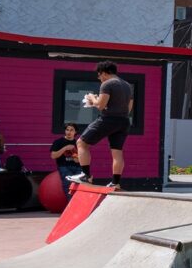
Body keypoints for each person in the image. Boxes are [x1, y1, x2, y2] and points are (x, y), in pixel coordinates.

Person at [69, 61, 133, 189]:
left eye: (99, 75)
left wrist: (92, 98)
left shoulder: (107, 84)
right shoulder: (126, 85)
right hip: (124, 121)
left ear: (104, 73)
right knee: (117, 153)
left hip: (108, 119)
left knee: (81, 143)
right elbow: (129, 107)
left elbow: (100, 106)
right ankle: (115, 182)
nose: (99, 78)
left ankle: (85, 176)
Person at [49, 123, 80, 190]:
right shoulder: (58, 142)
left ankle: (77, 200)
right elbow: (53, 156)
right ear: (65, 131)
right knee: (68, 184)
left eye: (71, 130)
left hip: (77, 167)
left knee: (80, 185)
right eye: (67, 130)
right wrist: (65, 148)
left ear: (75, 132)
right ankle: (70, 200)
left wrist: (74, 153)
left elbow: (78, 160)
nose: (69, 132)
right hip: (64, 166)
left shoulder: (78, 143)